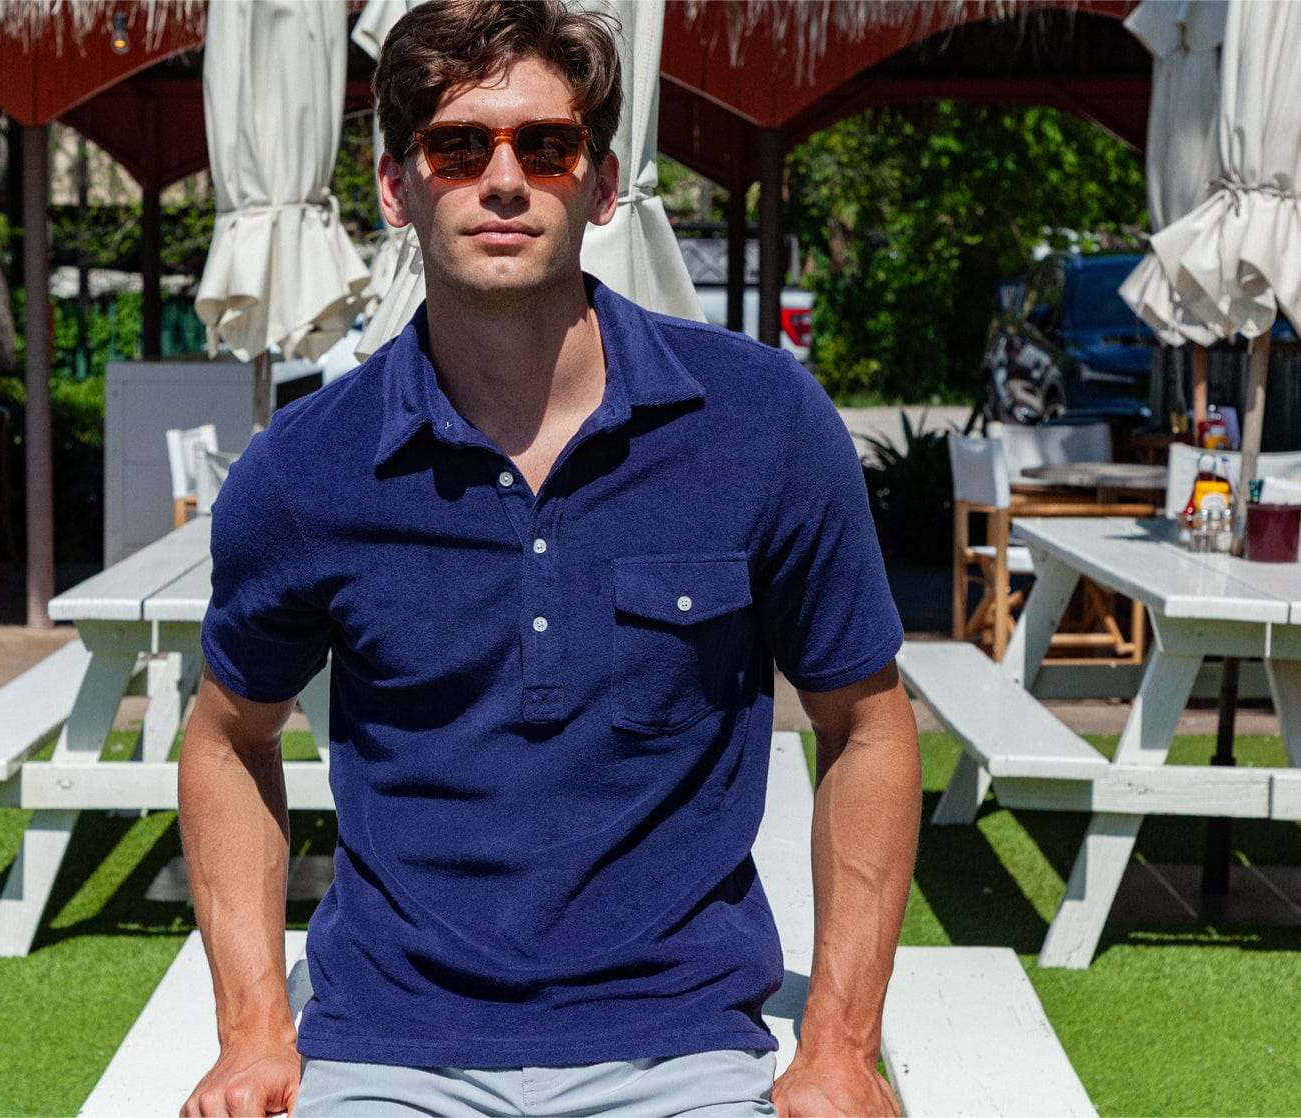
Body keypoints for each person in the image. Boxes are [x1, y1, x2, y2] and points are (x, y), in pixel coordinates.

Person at [179, 2, 920, 1115]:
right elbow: (227, 737)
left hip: (681, 1047)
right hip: (388, 1051)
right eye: (457, 147)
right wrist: (250, 1030)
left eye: (547, 145)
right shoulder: (307, 467)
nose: (504, 180)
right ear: (396, 189)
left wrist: (841, 1045)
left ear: (603, 183)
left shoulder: (761, 422)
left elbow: (866, 723)